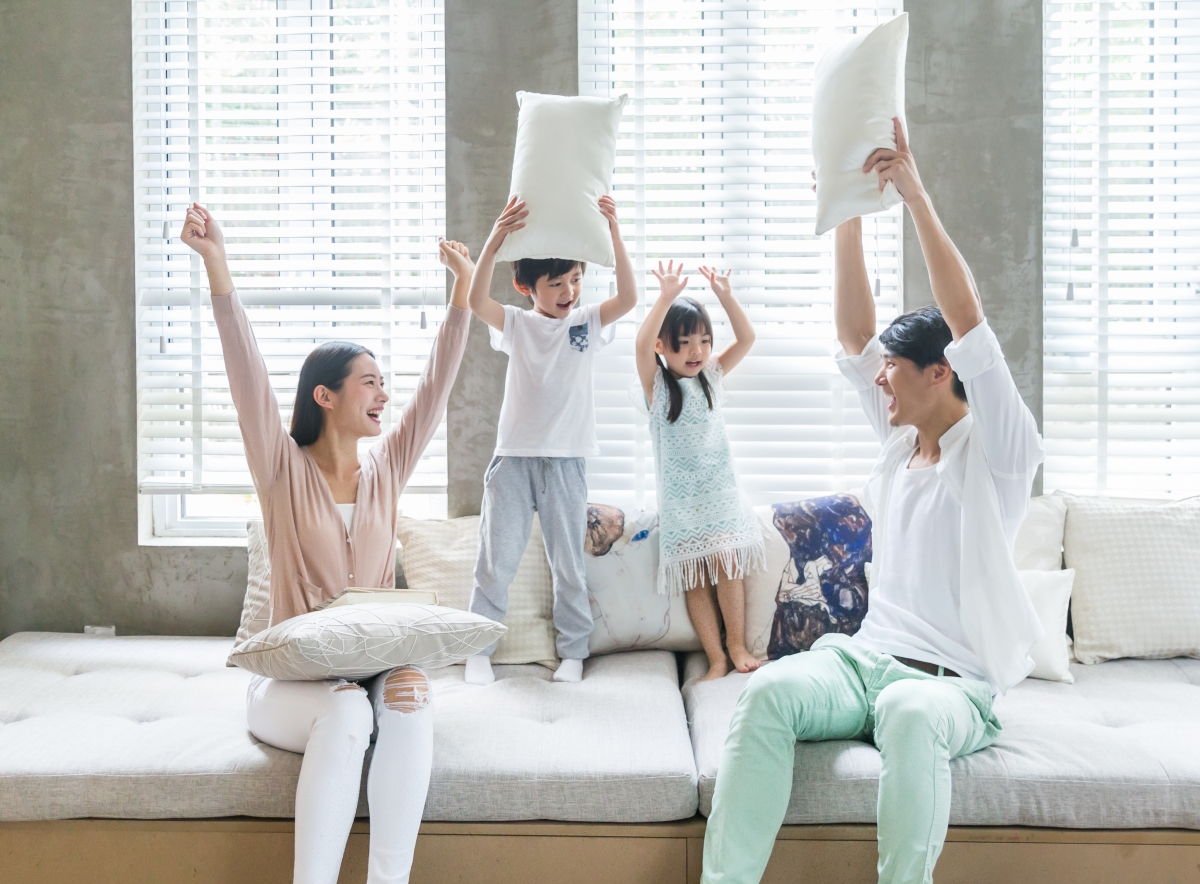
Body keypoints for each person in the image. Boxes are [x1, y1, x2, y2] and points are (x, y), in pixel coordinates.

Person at [699, 119, 1045, 884]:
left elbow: (970, 323)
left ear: (941, 374)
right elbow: (855, 331)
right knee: (767, 696)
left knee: (912, 716)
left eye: (895, 369)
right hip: (862, 661)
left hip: (951, 685)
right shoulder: (898, 442)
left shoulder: (998, 454)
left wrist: (915, 197)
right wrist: (847, 206)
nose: (878, 379)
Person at [180, 203, 473, 884]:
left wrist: (460, 294)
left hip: (370, 662)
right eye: (369, 381)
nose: (384, 392)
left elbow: (435, 389)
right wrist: (216, 265)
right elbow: (246, 376)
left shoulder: (387, 468)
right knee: (344, 709)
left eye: (382, 381)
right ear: (326, 396)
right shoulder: (281, 466)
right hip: (291, 680)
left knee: (408, 692)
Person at [462, 194, 637, 685]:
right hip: (514, 461)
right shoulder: (518, 325)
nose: (568, 291)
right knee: (496, 563)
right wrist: (495, 238)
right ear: (526, 287)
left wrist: (614, 233)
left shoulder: (586, 323)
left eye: (576, 279)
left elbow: (628, 298)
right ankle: (479, 649)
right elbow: (476, 302)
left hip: (565, 463)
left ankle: (573, 652)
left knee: (568, 566)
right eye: (556, 283)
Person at [633, 261, 765, 680]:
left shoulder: (711, 377)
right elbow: (639, 345)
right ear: (662, 346)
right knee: (696, 580)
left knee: (727, 564)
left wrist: (725, 296)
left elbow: (747, 338)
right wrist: (665, 297)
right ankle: (716, 658)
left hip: (719, 492)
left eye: (704, 341)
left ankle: (737, 644)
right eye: (685, 342)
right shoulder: (657, 386)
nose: (697, 351)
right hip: (682, 501)